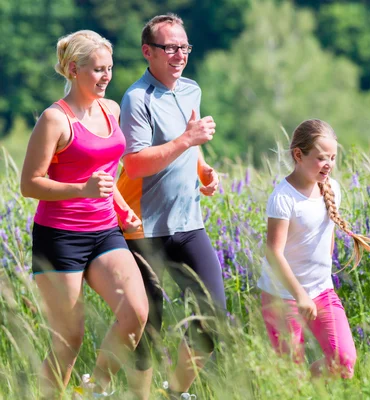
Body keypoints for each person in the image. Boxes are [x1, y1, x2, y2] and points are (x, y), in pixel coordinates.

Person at [20, 30, 149, 398]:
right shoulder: (54, 120)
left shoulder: (112, 110)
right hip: (59, 237)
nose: (106, 76)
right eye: (97, 69)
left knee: (136, 313)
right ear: (74, 69)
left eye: (109, 68)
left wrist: (122, 209)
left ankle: (93, 389)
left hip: (106, 232)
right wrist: (81, 191)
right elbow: (29, 185)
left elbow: (108, 172)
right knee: (69, 340)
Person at [116, 13, 226, 400]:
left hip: (188, 222)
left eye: (184, 47)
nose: (179, 54)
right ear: (148, 52)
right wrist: (187, 140)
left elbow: (188, 148)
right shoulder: (136, 98)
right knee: (150, 325)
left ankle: (173, 393)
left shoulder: (191, 89)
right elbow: (136, 163)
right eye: (170, 48)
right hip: (143, 227)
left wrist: (204, 170)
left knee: (213, 315)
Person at [258, 119, 370, 379]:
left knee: (344, 361)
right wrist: (300, 295)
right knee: (291, 374)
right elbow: (273, 252)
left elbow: (327, 236)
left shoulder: (332, 188)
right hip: (283, 297)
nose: (329, 164)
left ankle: (311, 386)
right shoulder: (283, 198)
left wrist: (320, 280)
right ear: (298, 155)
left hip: (321, 291)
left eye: (332, 158)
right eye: (322, 158)